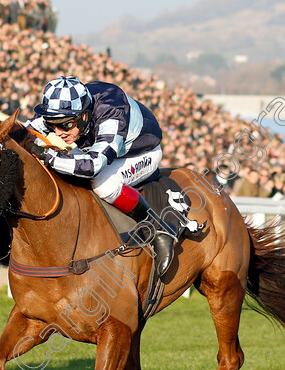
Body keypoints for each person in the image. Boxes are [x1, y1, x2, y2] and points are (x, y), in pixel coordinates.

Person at [26, 75, 184, 276]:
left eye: (65, 125)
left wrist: (48, 156)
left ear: (83, 115)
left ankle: (159, 229)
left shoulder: (111, 113)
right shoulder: (66, 109)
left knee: (102, 183)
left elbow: (93, 166)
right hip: (98, 149)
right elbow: (25, 131)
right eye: (52, 124)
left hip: (141, 153)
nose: (58, 132)